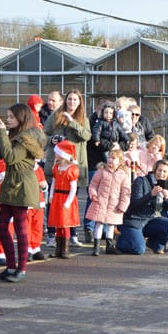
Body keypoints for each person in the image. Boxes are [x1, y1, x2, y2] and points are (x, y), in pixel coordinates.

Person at [0, 103, 46, 283]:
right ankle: (11, 266)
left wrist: (2, 133)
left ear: (21, 118)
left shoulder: (25, 139)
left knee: (21, 228)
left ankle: (20, 269)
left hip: (22, 185)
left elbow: (10, 157)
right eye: (8, 116)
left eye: (12, 117)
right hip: (12, 183)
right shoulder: (19, 136)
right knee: (1, 225)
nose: (8, 120)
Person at [43, 89, 91, 247]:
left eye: (75, 100)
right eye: (69, 99)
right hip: (56, 165)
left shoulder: (83, 118)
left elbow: (86, 136)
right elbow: (43, 135)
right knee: (53, 200)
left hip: (73, 166)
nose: (72, 102)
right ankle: (51, 234)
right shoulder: (56, 115)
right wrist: (53, 140)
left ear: (79, 102)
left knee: (72, 200)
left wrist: (72, 122)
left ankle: (72, 233)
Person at [116, 159, 168, 255]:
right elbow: (135, 203)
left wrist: (167, 198)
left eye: (165, 172)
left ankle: (155, 244)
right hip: (133, 220)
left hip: (149, 220)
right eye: (159, 170)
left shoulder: (165, 186)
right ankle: (122, 241)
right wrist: (151, 194)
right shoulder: (141, 181)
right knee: (139, 250)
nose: (161, 173)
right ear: (155, 170)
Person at [86, 148, 130, 256]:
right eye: (109, 157)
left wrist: (123, 205)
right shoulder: (101, 171)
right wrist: (93, 194)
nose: (110, 160)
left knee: (111, 225)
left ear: (120, 161)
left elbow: (126, 192)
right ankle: (96, 247)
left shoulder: (123, 175)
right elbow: (93, 185)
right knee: (99, 224)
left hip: (114, 205)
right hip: (100, 202)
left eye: (113, 158)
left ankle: (109, 246)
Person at [47, 139, 80, 260]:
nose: (55, 155)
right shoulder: (56, 167)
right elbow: (54, 182)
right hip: (57, 197)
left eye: (57, 153)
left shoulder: (72, 169)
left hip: (66, 198)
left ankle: (65, 249)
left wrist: (68, 202)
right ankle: (58, 249)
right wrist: (51, 195)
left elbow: (73, 189)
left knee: (65, 224)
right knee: (58, 224)